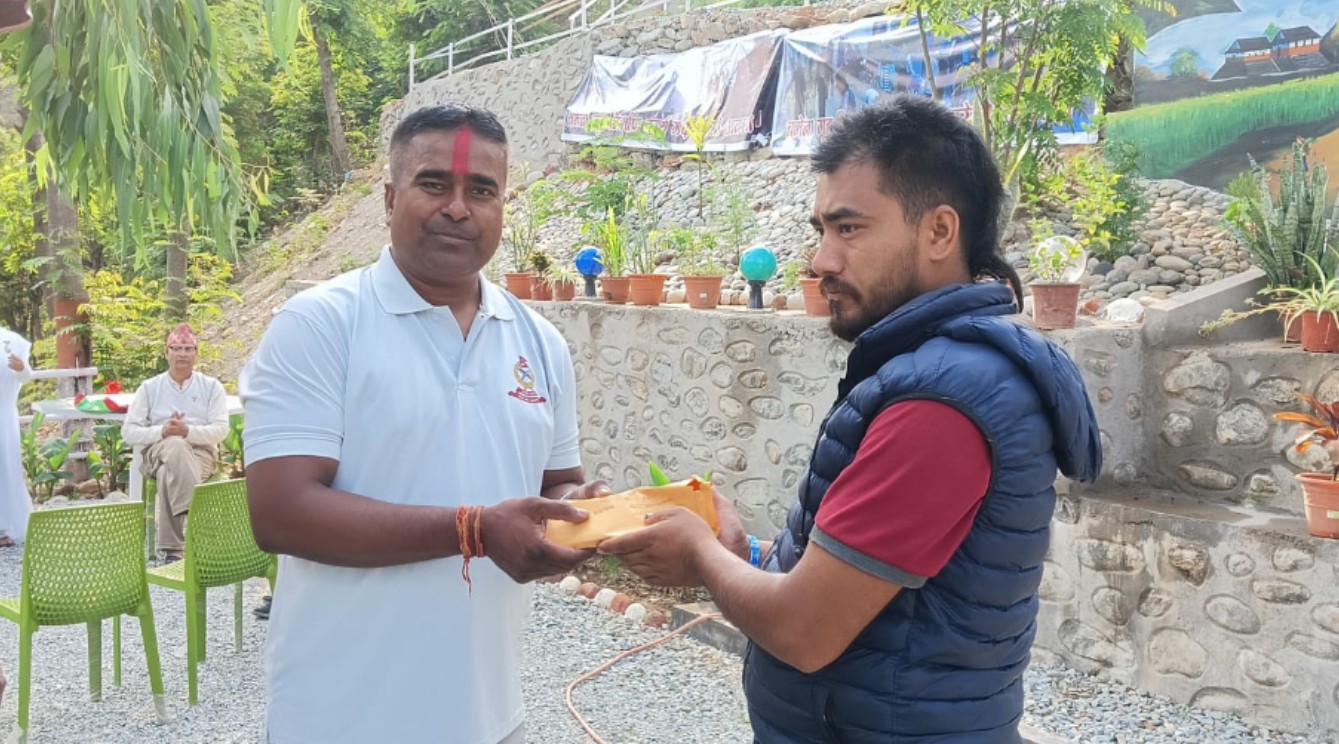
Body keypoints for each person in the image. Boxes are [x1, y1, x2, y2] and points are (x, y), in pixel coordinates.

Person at [600, 95, 1103, 743]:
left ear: (939, 232)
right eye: (821, 230)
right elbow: (871, 590)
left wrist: (699, 555)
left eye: (849, 229)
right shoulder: (934, 373)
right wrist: (742, 554)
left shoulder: (941, 405)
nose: (821, 261)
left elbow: (804, 631)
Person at [239, 105, 608, 744]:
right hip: (340, 721)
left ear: (502, 206)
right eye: (434, 184)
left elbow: (557, 484)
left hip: (490, 716)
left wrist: (591, 512)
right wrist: (475, 530)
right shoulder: (321, 325)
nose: (458, 208)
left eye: (481, 191)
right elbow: (281, 514)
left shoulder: (539, 342)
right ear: (390, 198)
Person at [121, 323, 229, 564]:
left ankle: (173, 551)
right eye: (177, 348)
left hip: (200, 454)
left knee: (167, 472)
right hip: (157, 450)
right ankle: (195, 517)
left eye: (188, 349)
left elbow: (221, 429)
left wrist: (187, 431)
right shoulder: (150, 388)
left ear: (196, 354)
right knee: (174, 445)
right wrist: (163, 431)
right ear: (166, 352)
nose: (182, 354)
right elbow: (128, 432)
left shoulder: (212, 387)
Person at [0, 324, 32, 547]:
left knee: (6, 469)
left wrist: (22, 369)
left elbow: (27, 376)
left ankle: (5, 525)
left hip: (4, 417)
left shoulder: (11, 340)